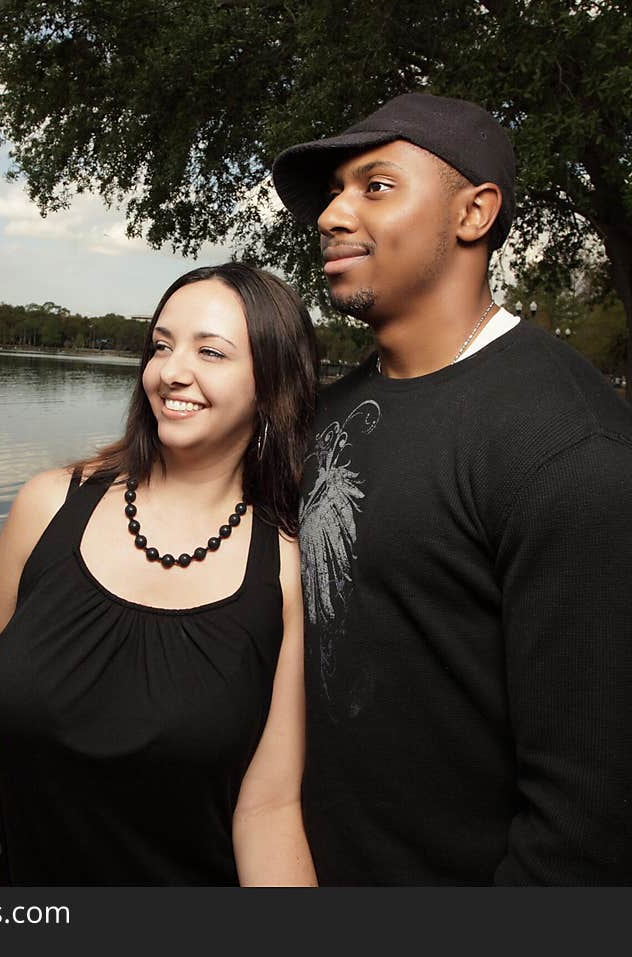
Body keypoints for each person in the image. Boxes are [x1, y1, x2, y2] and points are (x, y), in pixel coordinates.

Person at [271, 93, 632, 884]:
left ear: (474, 213)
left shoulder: (569, 448)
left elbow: (588, 824)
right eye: (334, 190)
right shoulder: (330, 411)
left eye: (375, 186)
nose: (331, 213)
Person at [0, 262, 320, 886]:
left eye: (211, 352)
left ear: (270, 384)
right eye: (162, 345)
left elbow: (269, 806)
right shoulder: (46, 508)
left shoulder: (283, 572)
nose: (172, 371)